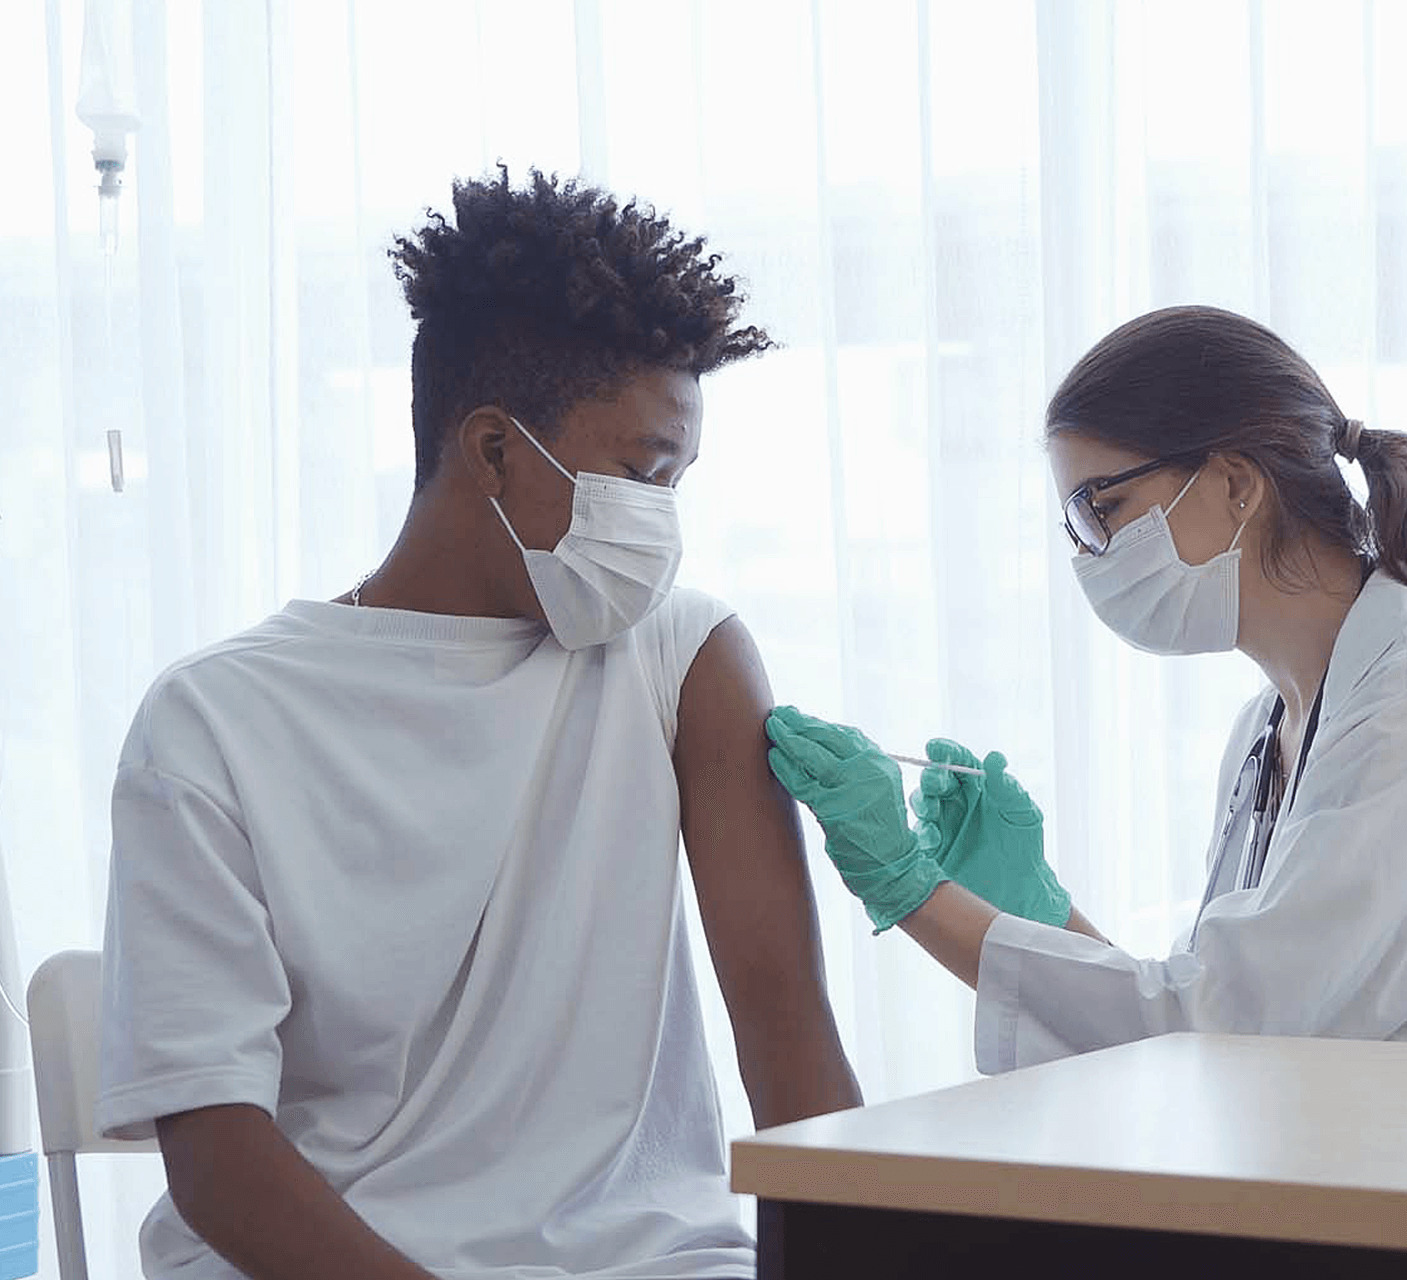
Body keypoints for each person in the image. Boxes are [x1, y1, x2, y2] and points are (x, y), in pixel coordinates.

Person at [97, 168, 861, 1280]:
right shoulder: (215, 719)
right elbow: (217, 1156)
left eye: (678, 480)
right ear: (495, 448)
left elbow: (791, 1053)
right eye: (640, 474)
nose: (661, 525)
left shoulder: (681, 657)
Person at [767, 304, 1407, 1074]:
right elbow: (1219, 1029)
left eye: (1102, 509)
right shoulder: (1274, 724)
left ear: (1236, 483)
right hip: (1397, 1166)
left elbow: (1234, 1031)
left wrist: (913, 890)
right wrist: (1035, 913)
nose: (1088, 554)